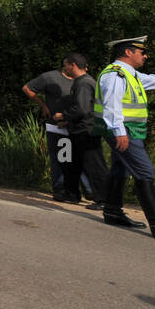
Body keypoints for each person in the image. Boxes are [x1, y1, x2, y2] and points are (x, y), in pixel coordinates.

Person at [93, 35, 155, 241]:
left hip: (128, 129)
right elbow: (112, 107)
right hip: (123, 130)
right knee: (144, 171)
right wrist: (119, 132)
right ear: (128, 52)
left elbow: (153, 80)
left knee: (121, 168)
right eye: (142, 52)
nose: (145, 56)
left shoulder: (131, 75)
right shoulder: (115, 75)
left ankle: (112, 211)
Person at [22, 55, 86, 201]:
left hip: (75, 126)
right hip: (56, 126)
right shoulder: (50, 77)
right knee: (61, 159)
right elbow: (27, 88)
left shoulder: (81, 80)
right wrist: (43, 105)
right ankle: (59, 189)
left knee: (76, 159)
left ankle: (81, 191)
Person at [54, 56, 107, 206]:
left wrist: (63, 115)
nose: (64, 69)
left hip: (87, 131)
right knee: (73, 164)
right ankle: (71, 194)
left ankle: (104, 199)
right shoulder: (83, 82)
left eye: (65, 65)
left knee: (94, 165)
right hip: (79, 129)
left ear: (73, 65)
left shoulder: (84, 83)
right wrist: (68, 122)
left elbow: (82, 109)